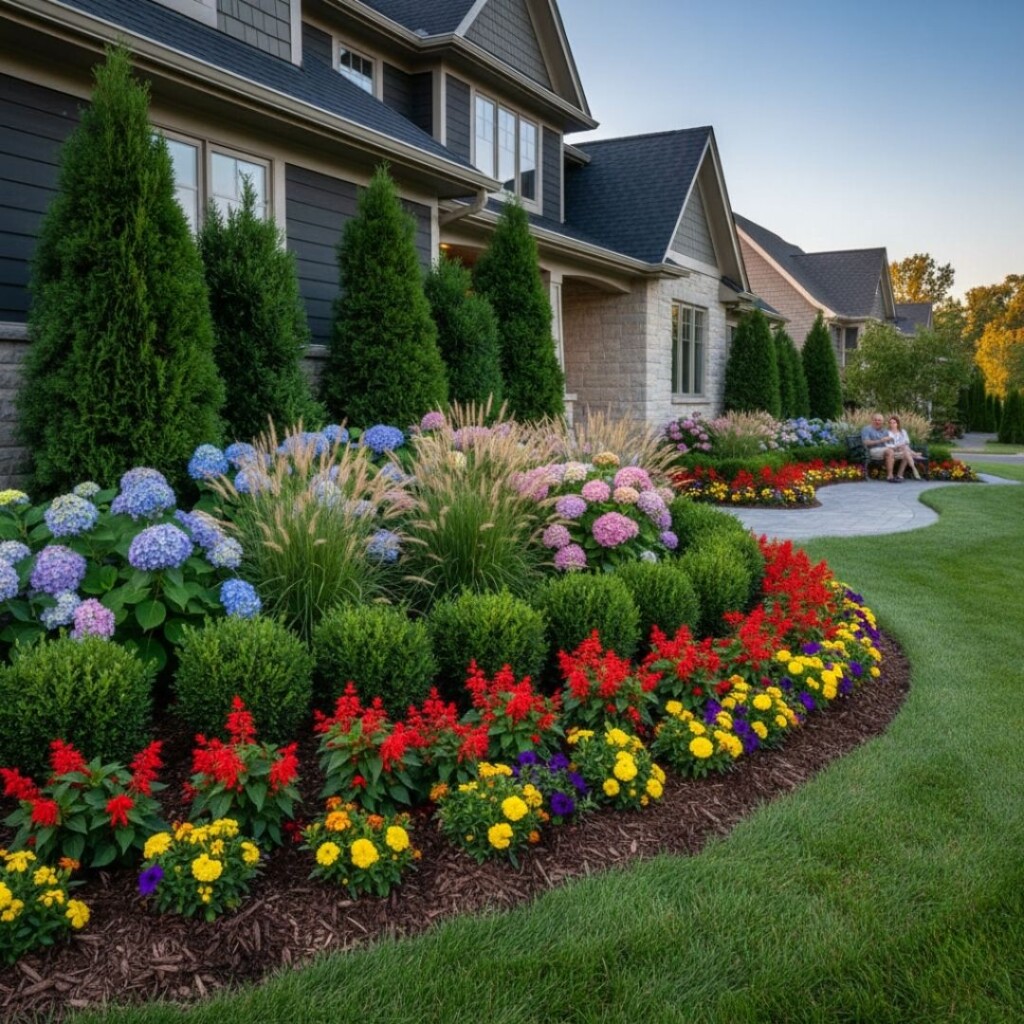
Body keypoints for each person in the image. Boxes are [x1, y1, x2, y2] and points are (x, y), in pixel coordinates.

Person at [886, 415, 923, 480]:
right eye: (890, 423)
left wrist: (902, 445)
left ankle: (902, 474)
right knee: (906, 451)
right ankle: (913, 458)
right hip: (894, 450)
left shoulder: (902, 431)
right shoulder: (887, 433)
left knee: (906, 452)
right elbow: (887, 444)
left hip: (903, 449)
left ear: (897, 423)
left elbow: (907, 441)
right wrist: (897, 446)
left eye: (894, 422)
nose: (892, 424)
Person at [861, 413, 896, 481]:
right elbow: (866, 442)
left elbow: (889, 443)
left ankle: (900, 475)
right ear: (872, 421)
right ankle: (890, 476)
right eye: (875, 420)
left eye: (879, 420)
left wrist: (891, 440)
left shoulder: (885, 430)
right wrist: (880, 441)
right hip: (872, 450)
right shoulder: (867, 429)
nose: (877, 422)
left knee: (903, 452)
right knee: (890, 452)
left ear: (882, 422)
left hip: (884, 449)